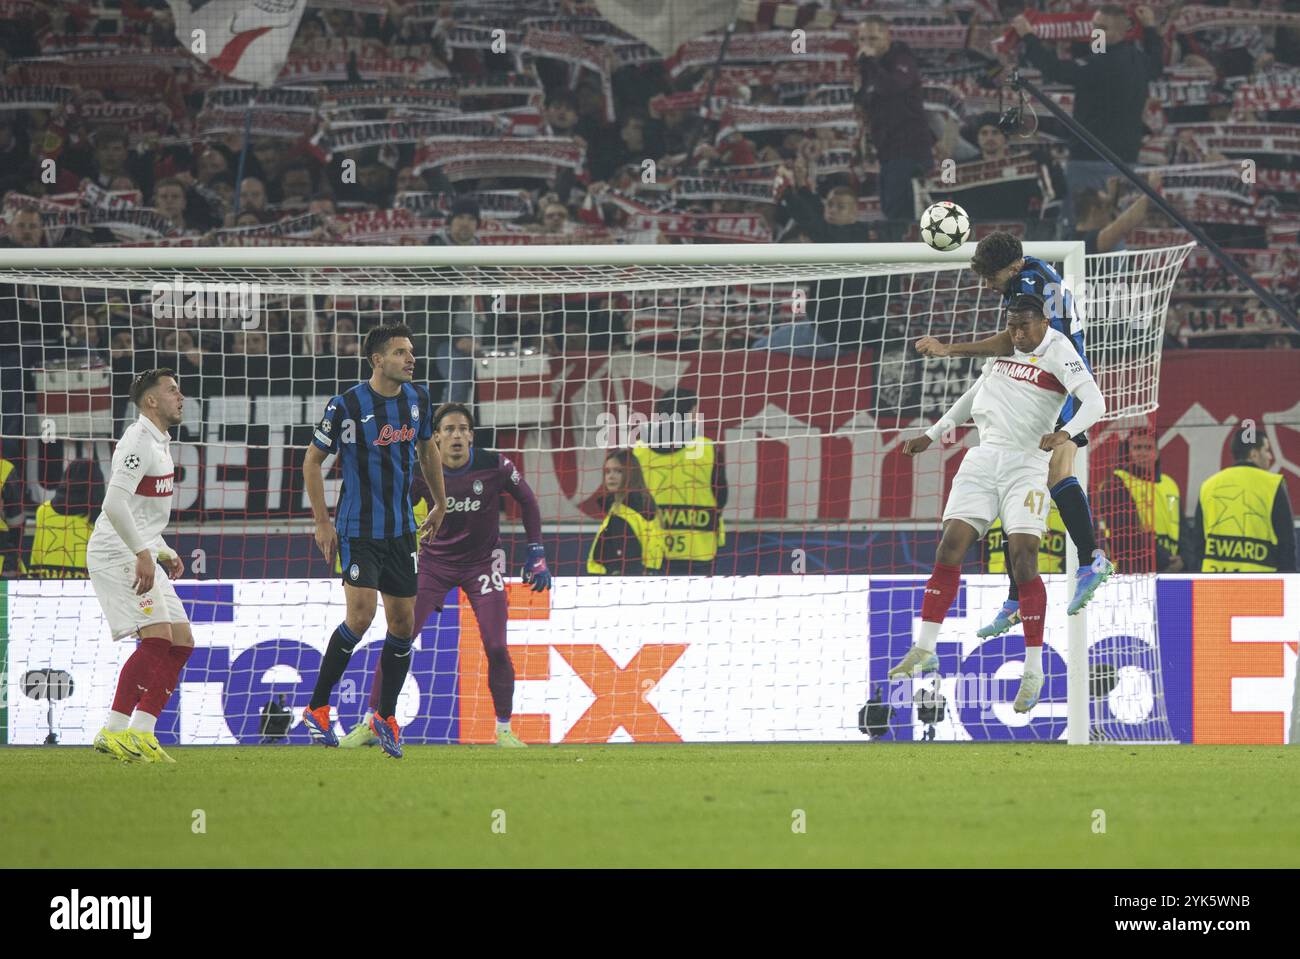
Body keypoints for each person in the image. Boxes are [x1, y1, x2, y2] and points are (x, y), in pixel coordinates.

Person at [892, 294, 1107, 712]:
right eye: (1011, 326)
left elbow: (1095, 403)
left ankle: (1033, 668)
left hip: (1026, 464)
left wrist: (1065, 434)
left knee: (1023, 557)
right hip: (983, 457)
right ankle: (925, 647)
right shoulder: (1007, 349)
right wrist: (933, 434)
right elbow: (974, 394)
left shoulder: (1060, 350)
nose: (1018, 333)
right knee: (949, 546)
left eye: (1025, 325)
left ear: (1044, 322)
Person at [916, 233, 1114, 634]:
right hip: (1047, 372)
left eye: (992, 278)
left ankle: (1092, 558)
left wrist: (949, 349)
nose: (989, 286)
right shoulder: (1033, 268)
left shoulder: (1027, 287)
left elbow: (1011, 341)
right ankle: (1013, 598)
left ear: (1013, 268)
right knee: (1018, 500)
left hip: (1057, 377)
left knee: (1055, 473)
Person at [340, 403, 548, 749]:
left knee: (496, 646)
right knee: (398, 639)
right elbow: (389, 508)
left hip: (483, 564)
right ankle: (369, 723)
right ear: (435, 437)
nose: (456, 435)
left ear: (471, 435)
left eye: (463, 429)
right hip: (433, 564)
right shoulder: (418, 468)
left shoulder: (494, 465)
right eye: (449, 429)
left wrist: (536, 550)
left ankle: (504, 730)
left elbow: (527, 501)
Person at [302, 323, 448, 758]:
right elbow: (312, 462)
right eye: (401, 352)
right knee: (361, 618)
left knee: (403, 625)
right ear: (377, 360)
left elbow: (427, 451)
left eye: (412, 351)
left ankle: (384, 715)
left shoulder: (418, 400)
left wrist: (440, 502)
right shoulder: (346, 405)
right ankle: (318, 707)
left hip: (402, 530)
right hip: (357, 529)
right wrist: (322, 522)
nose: (411, 358)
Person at [86, 370, 193, 764]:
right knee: (157, 639)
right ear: (151, 401)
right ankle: (113, 730)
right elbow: (113, 505)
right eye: (172, 390)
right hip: (116, 553)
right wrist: (144, 555)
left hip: (141, 550)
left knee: (182, 643)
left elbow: (138, 513)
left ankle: (142, 731)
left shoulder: (160, 443)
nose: (180, 396)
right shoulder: (136, 441)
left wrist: (161, 549)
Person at [1012, 4, 1163, 231]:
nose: (1095, 33)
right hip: (1127, 161)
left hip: (1090, 161)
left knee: (1078, 231)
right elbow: (1157, 63)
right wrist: (1150, 28)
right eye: (1094, 27)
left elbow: (1054, 70)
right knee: (1115, 229)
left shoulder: (1099, 65)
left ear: (1123, 31)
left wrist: (1028, 36)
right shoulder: (1138, 61)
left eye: (1102, 29)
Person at [854, 15, 934, 237]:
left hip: (910, 149)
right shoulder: (868, 67)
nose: (867, 44)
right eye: (862, 39)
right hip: (887, 153)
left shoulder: (901, 57)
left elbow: (891, 87)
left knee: (903, 216)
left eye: (873, 38)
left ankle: (911, 267)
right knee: (891, 210)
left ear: (887, 36)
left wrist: (869, 62)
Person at [632, 389, 728, 575]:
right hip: (698, 545)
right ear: (689, 412)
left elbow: (631, 497)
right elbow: (721, 496)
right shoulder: (707, 448)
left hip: (651, 548)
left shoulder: (638, 450)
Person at [1190, 428, 1296, 573]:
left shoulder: (1208, 485)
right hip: (1262, 584)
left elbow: (1198, 545)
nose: (1270, 456)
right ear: (1254, 454)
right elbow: (1287, 544)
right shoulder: (1273, 484)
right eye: (1266, 450)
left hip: (1215, 585)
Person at [1096, 431, 1184, 573]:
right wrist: (1167, 559)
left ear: (1156, 453)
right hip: (1132, 569)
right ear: (1127, 452)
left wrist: (1184, 559)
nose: (1142, 453)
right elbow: (1126, 532)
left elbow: (1183, 529)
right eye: (1137, 448)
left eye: (1148, 448)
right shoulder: (1115, 483)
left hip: (1171, 567)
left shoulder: (1170, 484)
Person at [588, 449, 664, 575]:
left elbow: (629, 563)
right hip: (650, 578)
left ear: (631, 473)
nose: (611, 476)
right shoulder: (644, 505)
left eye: (618, 471)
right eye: (607, 472)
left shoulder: (623, 515)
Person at [29, 459, 105, 578]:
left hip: (47, 585)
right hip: (87, 587)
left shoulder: (43, 510)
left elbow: (36, 557)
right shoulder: (101, 517)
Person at [1072, 173, 1162, 254]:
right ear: (1094, 211)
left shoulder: (1071, 236)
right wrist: (1151, 190)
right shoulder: (1088, 241)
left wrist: (1113, 198)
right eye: (1107, 207)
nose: (1109, 212)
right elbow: (1125, 224)